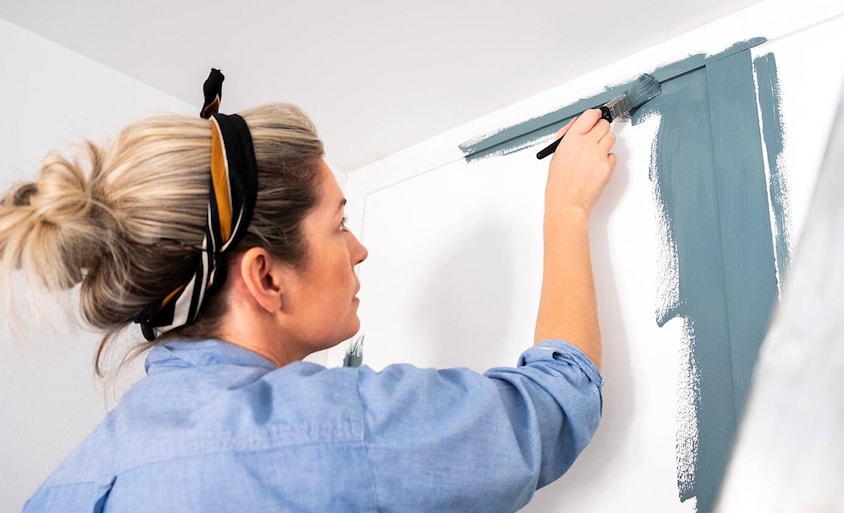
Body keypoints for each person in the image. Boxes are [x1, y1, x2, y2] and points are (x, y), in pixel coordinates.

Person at [1, 72, 617, 512]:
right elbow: (555, 404)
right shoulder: (332, 429)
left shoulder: (61, 489)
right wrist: (566, 209)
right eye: (339, 224)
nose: (359, 249)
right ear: (266, 278)